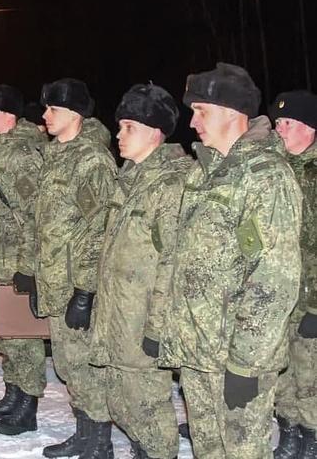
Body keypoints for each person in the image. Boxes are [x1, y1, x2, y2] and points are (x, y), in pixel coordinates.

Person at [160, 63, 303, 458]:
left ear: (232, 112)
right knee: (207, 449)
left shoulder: (266, 177)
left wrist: (246, 363)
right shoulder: (203, 173)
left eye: (201, 111)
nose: (192, 123)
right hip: (198, 351)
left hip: (237, 358)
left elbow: (274, 280)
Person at [92, 83, 190, 459]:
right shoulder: (130, 179)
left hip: (144, 320)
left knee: (149, 407)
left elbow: (172, 262)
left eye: (128, 127)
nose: (118, 135)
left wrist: (157, 328)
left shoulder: (171, 185)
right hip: (120, 316)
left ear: (154, 131)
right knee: (123, 402)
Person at [32, 78, 117, 458]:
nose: (45, 115)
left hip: (77, 286)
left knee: (84, 365)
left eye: (53, 109)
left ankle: (98, 442)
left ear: (75, 114)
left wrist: (85, 291)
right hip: (54, 279)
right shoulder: (55, 155)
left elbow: (100, 229)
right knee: (68, 364)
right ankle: (84, 432)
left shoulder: (92, 159)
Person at [0, 84, 47, 435]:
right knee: (5, 338)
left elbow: (35, 217)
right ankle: (12, 394)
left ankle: (27, 406)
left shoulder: (23, 155)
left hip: (14, 264)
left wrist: (28, 269)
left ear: (10, 115)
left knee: (22, 339)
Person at [270, 90, 317, 459]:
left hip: (310, 296)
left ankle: (311, 436)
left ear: (310, 128)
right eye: (278, 122)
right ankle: (288, 431)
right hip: (276, 292)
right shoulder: (274, 169)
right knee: (280, 368)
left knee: (310, 375)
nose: (279, 128)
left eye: (287, 122)